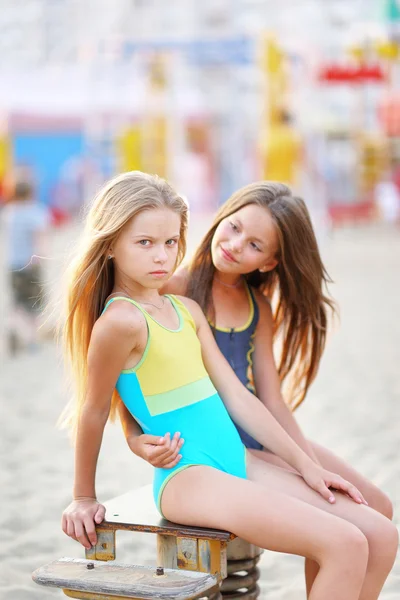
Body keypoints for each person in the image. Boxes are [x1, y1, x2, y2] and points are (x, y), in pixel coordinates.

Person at [61, 171, 397, 600]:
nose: (161, 255)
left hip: (237, 457)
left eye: (170, 242)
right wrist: (83, 495)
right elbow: (94, 409)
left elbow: (240, 397)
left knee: (380, 535)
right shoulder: (119, 322)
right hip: (188, 474)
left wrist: (308, 466)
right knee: (344, 542)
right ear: (110, 244)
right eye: (144, 243)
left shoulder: (185, 310)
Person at [1, 177, 50, 352]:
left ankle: (13, 328)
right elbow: (40, 238)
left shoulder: (9, 212)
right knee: (35, 304)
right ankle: (32, 340)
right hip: (30, 265)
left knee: (17, 302)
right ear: (31, 192)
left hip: (13, 265)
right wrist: (41, 257)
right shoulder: (36, 212)